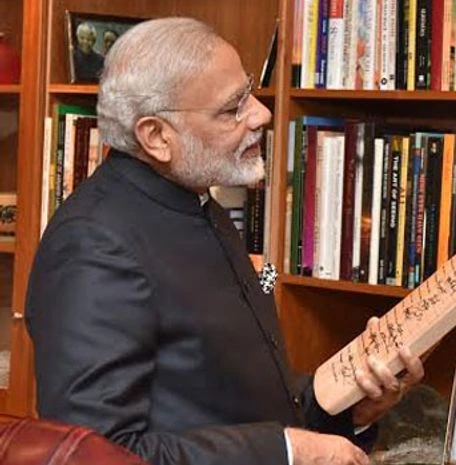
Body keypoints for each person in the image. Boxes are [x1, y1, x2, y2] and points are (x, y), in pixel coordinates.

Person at [25, 17, 424, 465]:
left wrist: (352, 410)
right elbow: (96, 456)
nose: (262, 113)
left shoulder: (199, 205)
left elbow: (239, 404)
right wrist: (288, 451)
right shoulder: (93, 245)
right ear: (156, 137)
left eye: (249, 91)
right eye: (232, 107)